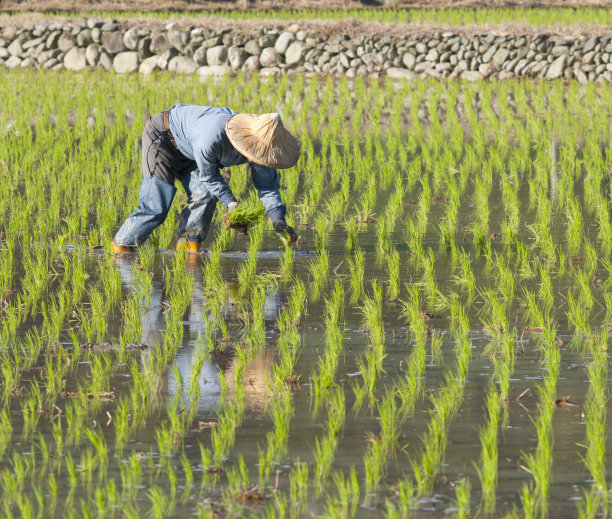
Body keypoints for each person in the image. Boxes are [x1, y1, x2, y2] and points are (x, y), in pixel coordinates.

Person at [111, 104, 299, 253]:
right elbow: (209, 176)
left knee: (207, 195)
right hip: (164, 139)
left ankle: (188, 249)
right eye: (255, 152)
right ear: (247, 140)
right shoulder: (213, 137)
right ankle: (120, 250)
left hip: (191, 149)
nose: (257, 158)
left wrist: (278, 220)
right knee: (156, 207)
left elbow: (268, 187)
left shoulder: (263, 149)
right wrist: (232, 205)